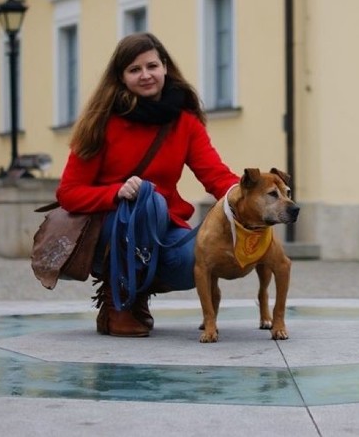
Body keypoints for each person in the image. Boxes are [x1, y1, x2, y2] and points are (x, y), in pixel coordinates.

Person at [56, 32, 239, 337]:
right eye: (134, 69)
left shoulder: (185, 122)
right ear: (121, 77)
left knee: (203, 253)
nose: (145, 75)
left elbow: (216, 176)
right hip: (107, 230)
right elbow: (69, 193)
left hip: (162, 228)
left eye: (151, 66)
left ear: (165, 67)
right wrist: (115, 192)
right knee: (147, 197)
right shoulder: (101, 122)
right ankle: (118, 304)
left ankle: (136, 292)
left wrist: (253, 197)